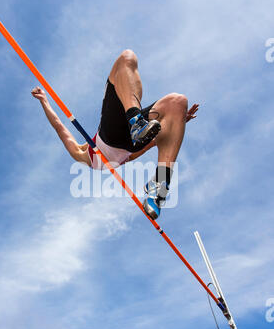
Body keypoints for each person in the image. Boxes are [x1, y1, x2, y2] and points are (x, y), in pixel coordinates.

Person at [32, 49, 199, 220]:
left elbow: (155, 140)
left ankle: (158, 186)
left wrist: (174, 122)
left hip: (130, 136)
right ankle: (137, 124)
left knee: (178, 102)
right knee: (126, 58)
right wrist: (44, 101)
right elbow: (59, 127)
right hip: (117, 137)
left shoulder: (102, 157)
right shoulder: (84, 155)